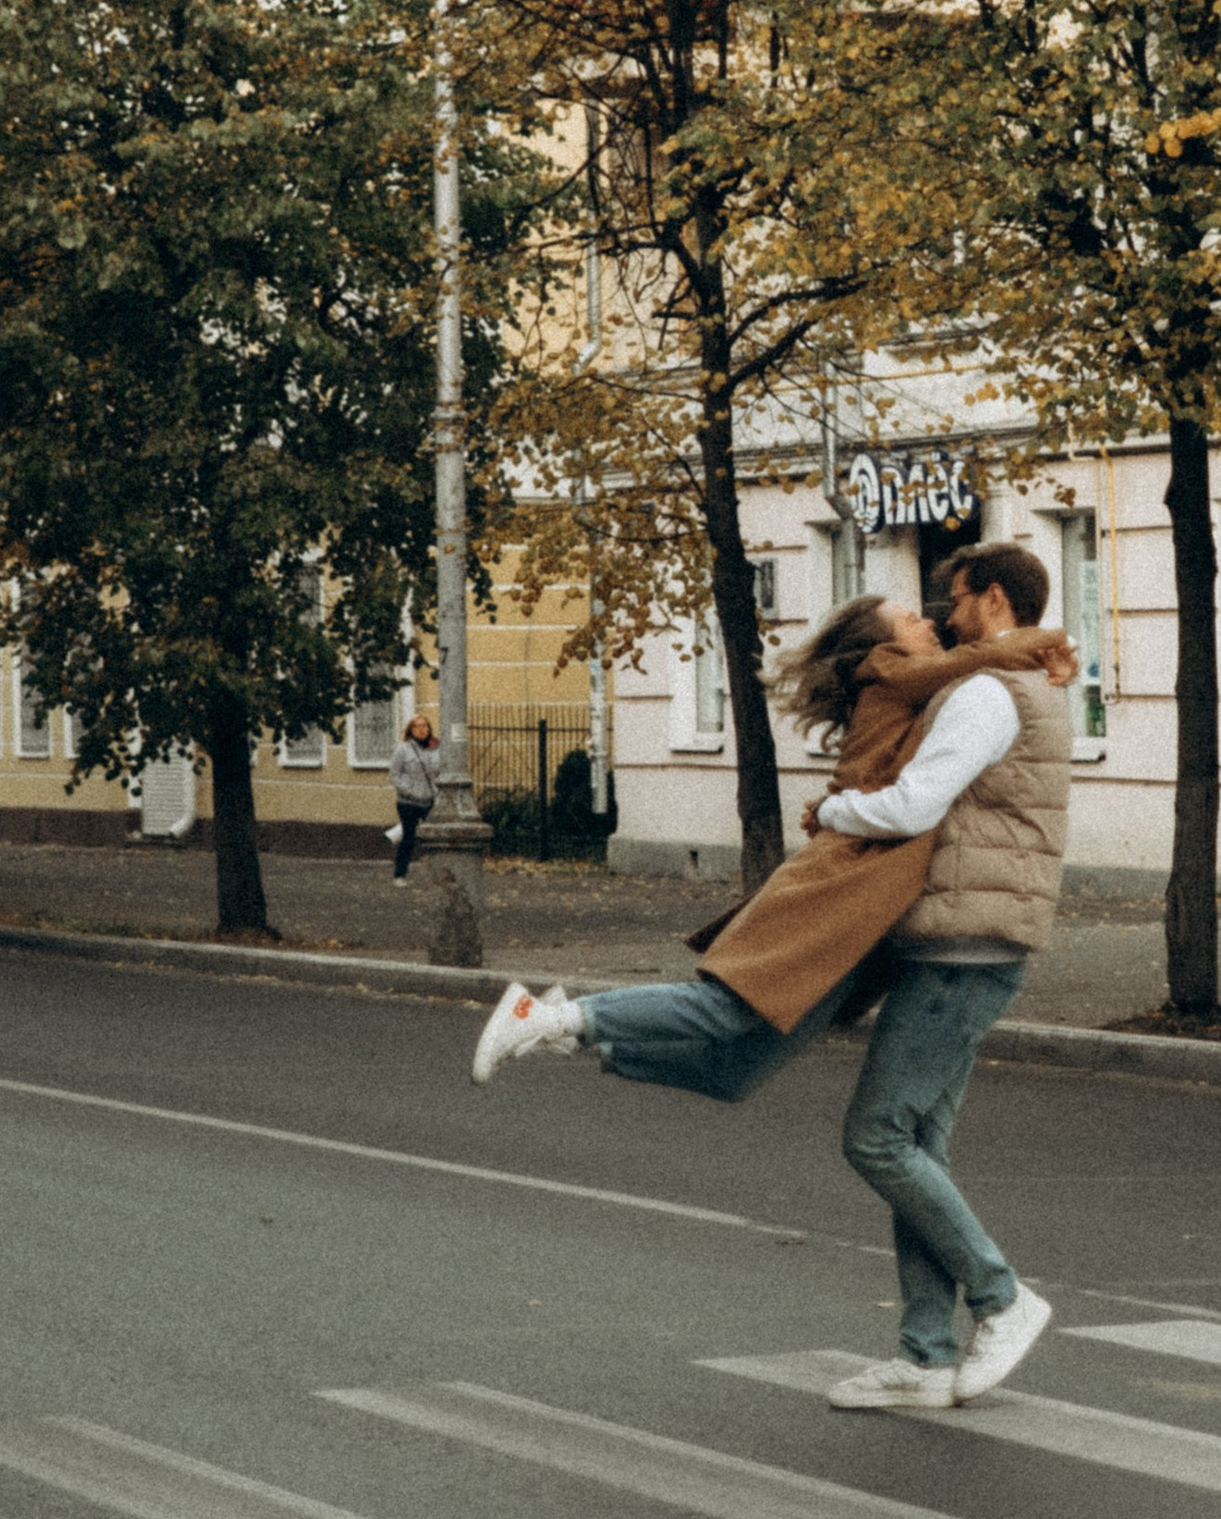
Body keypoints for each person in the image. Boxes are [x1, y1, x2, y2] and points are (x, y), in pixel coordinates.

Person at [473, 553, 1075, 1408]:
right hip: (940, 935)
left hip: (962, 942)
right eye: (920, 609)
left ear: (994, 598)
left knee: (876, 1137)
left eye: (952, 599)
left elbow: (913, 806)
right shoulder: (988, 678)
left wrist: (832, 810)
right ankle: (926, 1354)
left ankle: (1002, 1299)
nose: (940, 615)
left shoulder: (986, 691)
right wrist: (1046, 645)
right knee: (910, 1148)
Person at [388, 715, 438, 880]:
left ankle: (438, 872)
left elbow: (441, 770)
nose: (422, 729)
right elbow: (394, 775)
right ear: (411, 730)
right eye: (417, 726)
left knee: (436, 836)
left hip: (430, 800)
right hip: (408, 802)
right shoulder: (403, 749)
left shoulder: (435, 747)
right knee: (408, 838)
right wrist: (409, 790)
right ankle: (400, 874)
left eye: (425, 726)